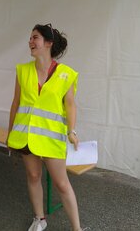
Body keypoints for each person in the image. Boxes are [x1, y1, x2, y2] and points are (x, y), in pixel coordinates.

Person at [7, 23, 87, 231]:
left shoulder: (66, 74)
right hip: (25, 136)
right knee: (33, 176)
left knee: (61, 184)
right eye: (30, 38)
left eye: (35, 38)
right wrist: (10, 134)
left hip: (51, 138)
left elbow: (70, 105)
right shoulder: (22, 70)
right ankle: (39, 219)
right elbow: (16, 103)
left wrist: (72, 131)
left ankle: (77, 229)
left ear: (49, 43)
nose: (30, 42)